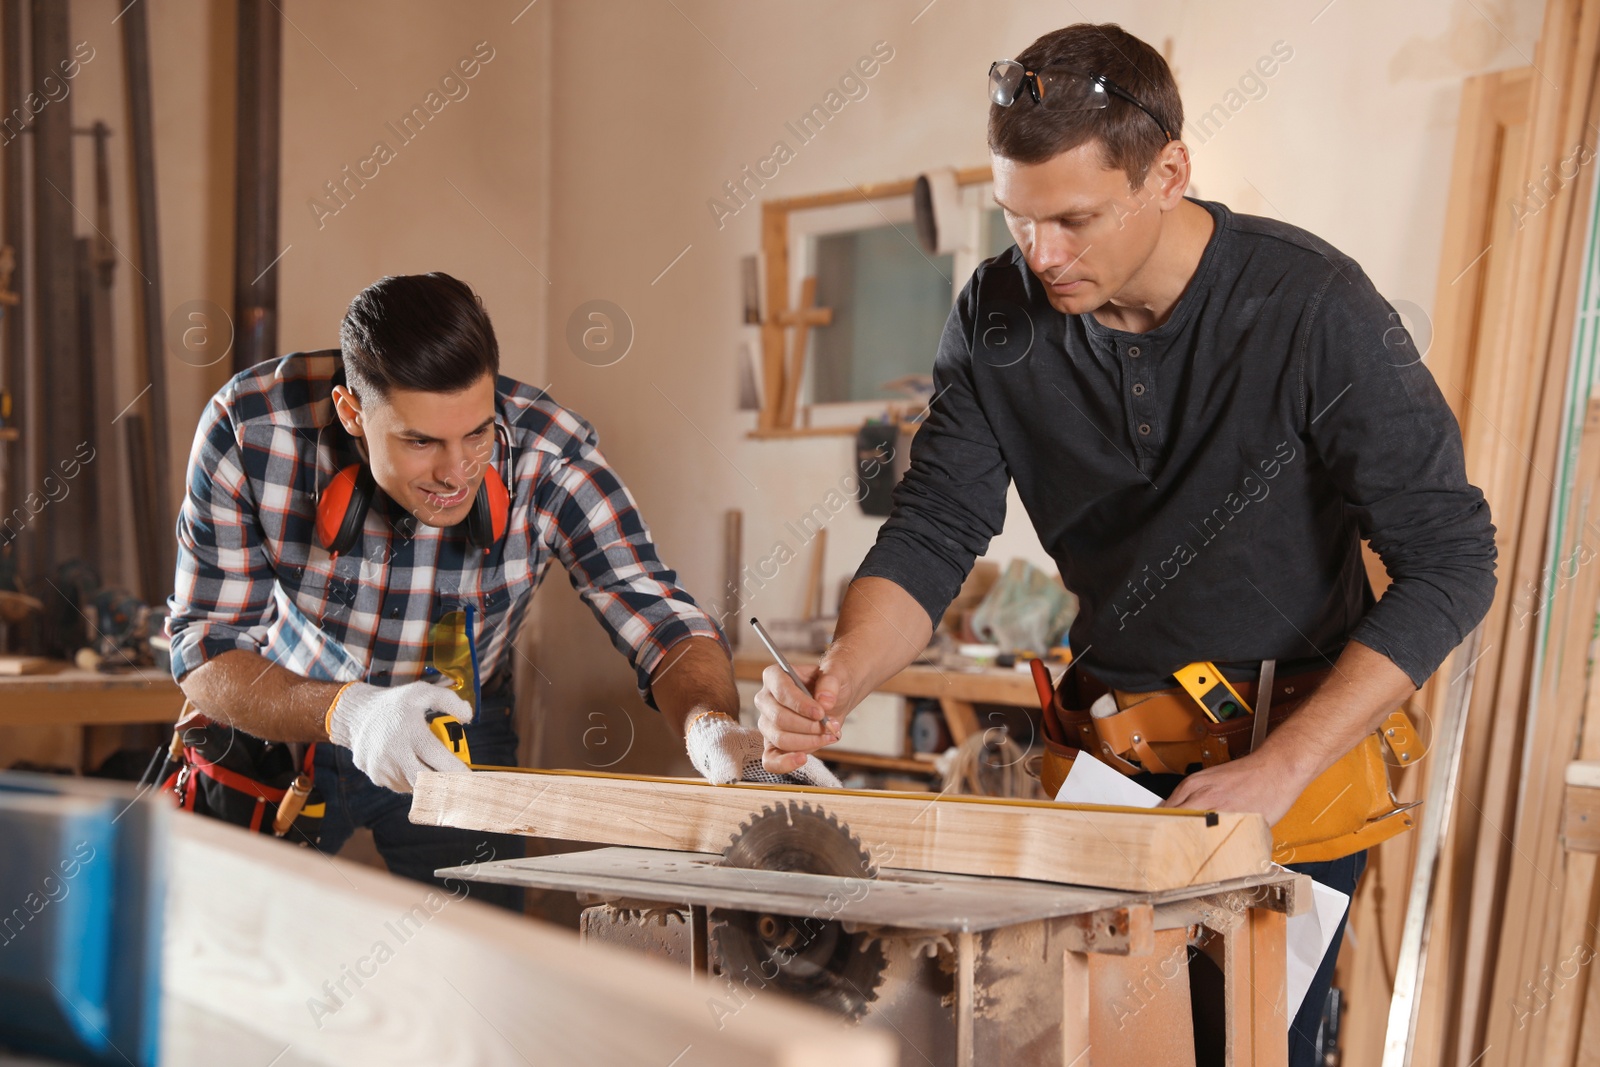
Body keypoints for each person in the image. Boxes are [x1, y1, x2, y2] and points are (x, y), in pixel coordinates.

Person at [753, 23, 1495, 1065]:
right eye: (1018, 221)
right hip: (1113, 759)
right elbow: (934, 526)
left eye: (1074, 219)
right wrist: (842, 672)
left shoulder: (1311, 306)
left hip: (1291, 766)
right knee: (1086, 1047)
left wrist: (1276, 767)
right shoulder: (997, 311)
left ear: (1168, 173)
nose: (1042, 255)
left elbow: (1453, 558)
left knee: (1241, 1046)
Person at [167, 272, 829, 910]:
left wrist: (712, 727)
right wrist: (350, 712)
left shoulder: (550, 454)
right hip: (283, 712)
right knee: (222, 946)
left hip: (457, 721)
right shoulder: (251, 429)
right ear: (351, 412)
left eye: (477, 433)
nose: (456, 473)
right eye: (421, 440)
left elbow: (658, 614)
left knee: (486, 968)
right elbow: (204, 647)